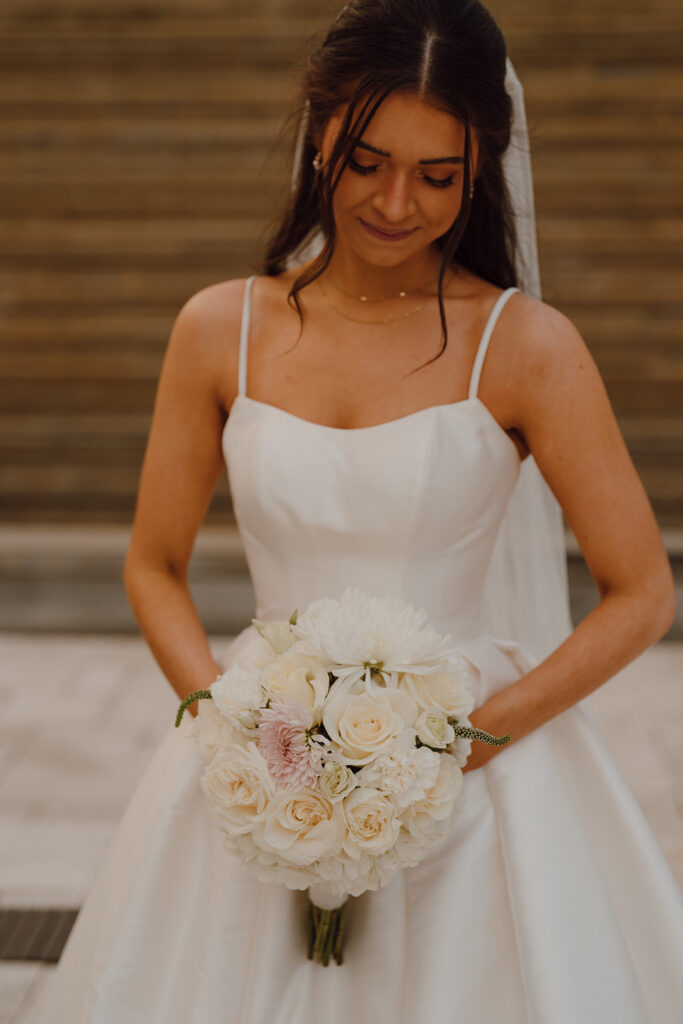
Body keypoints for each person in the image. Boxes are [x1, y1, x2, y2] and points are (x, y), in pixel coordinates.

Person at [28, 1, 683, 1021]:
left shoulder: (526, 346)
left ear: (481, 172)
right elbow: (151, 565)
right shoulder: (217, 329)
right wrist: (224, 720)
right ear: (318, 127)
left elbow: (639, 593)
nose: (393, 202)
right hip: (259, 754)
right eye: (366, 160)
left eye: (437, 176)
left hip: (471, 777)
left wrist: (465, 738)